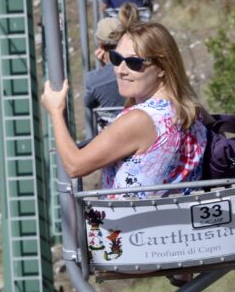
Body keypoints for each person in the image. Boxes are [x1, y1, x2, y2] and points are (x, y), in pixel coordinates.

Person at [41, 18, 206, 199]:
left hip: (126, 224)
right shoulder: (190, 109)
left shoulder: (140, 120)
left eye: (134, 63)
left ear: (162, 67)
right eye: (116, 58)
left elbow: (75, 165)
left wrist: (56, 112)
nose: (120, 70)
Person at [83, 6, 136, 135]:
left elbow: (88, 103)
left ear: (100, 44)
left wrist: (103, 67)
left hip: (113, 135)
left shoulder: (93, 79)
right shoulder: (138, 66)